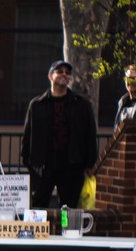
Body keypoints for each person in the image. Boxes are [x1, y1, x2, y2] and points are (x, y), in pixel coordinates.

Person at [21, 59, 98, 208]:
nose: (64, 75)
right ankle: (39, 231)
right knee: (38, 208)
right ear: (50, 76)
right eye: (60, 71)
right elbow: (28, 135)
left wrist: (89, 163)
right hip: (43, 167)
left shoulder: (81, 105)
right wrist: (29, 162)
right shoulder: (37, 105)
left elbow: (90, 134)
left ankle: (66, 231)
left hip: (71, 167)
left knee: (67, 210)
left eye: (67, 73)